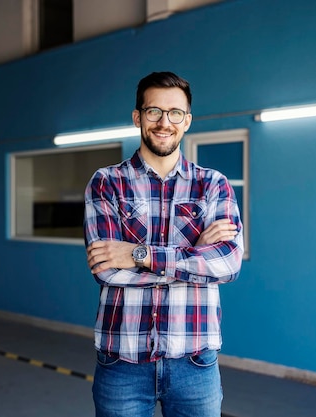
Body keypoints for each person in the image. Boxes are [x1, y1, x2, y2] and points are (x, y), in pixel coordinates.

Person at [83, 71, 244, 417]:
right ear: (138, 117)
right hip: (122, 361)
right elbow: (108, 271)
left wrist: (137, 254)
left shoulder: (213, 185)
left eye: (174, 113)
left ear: (187, 121)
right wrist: (196, 254)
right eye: (154, 111)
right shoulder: (106, 184)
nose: (163, 122)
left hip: (195, 362)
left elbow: (227, 265)